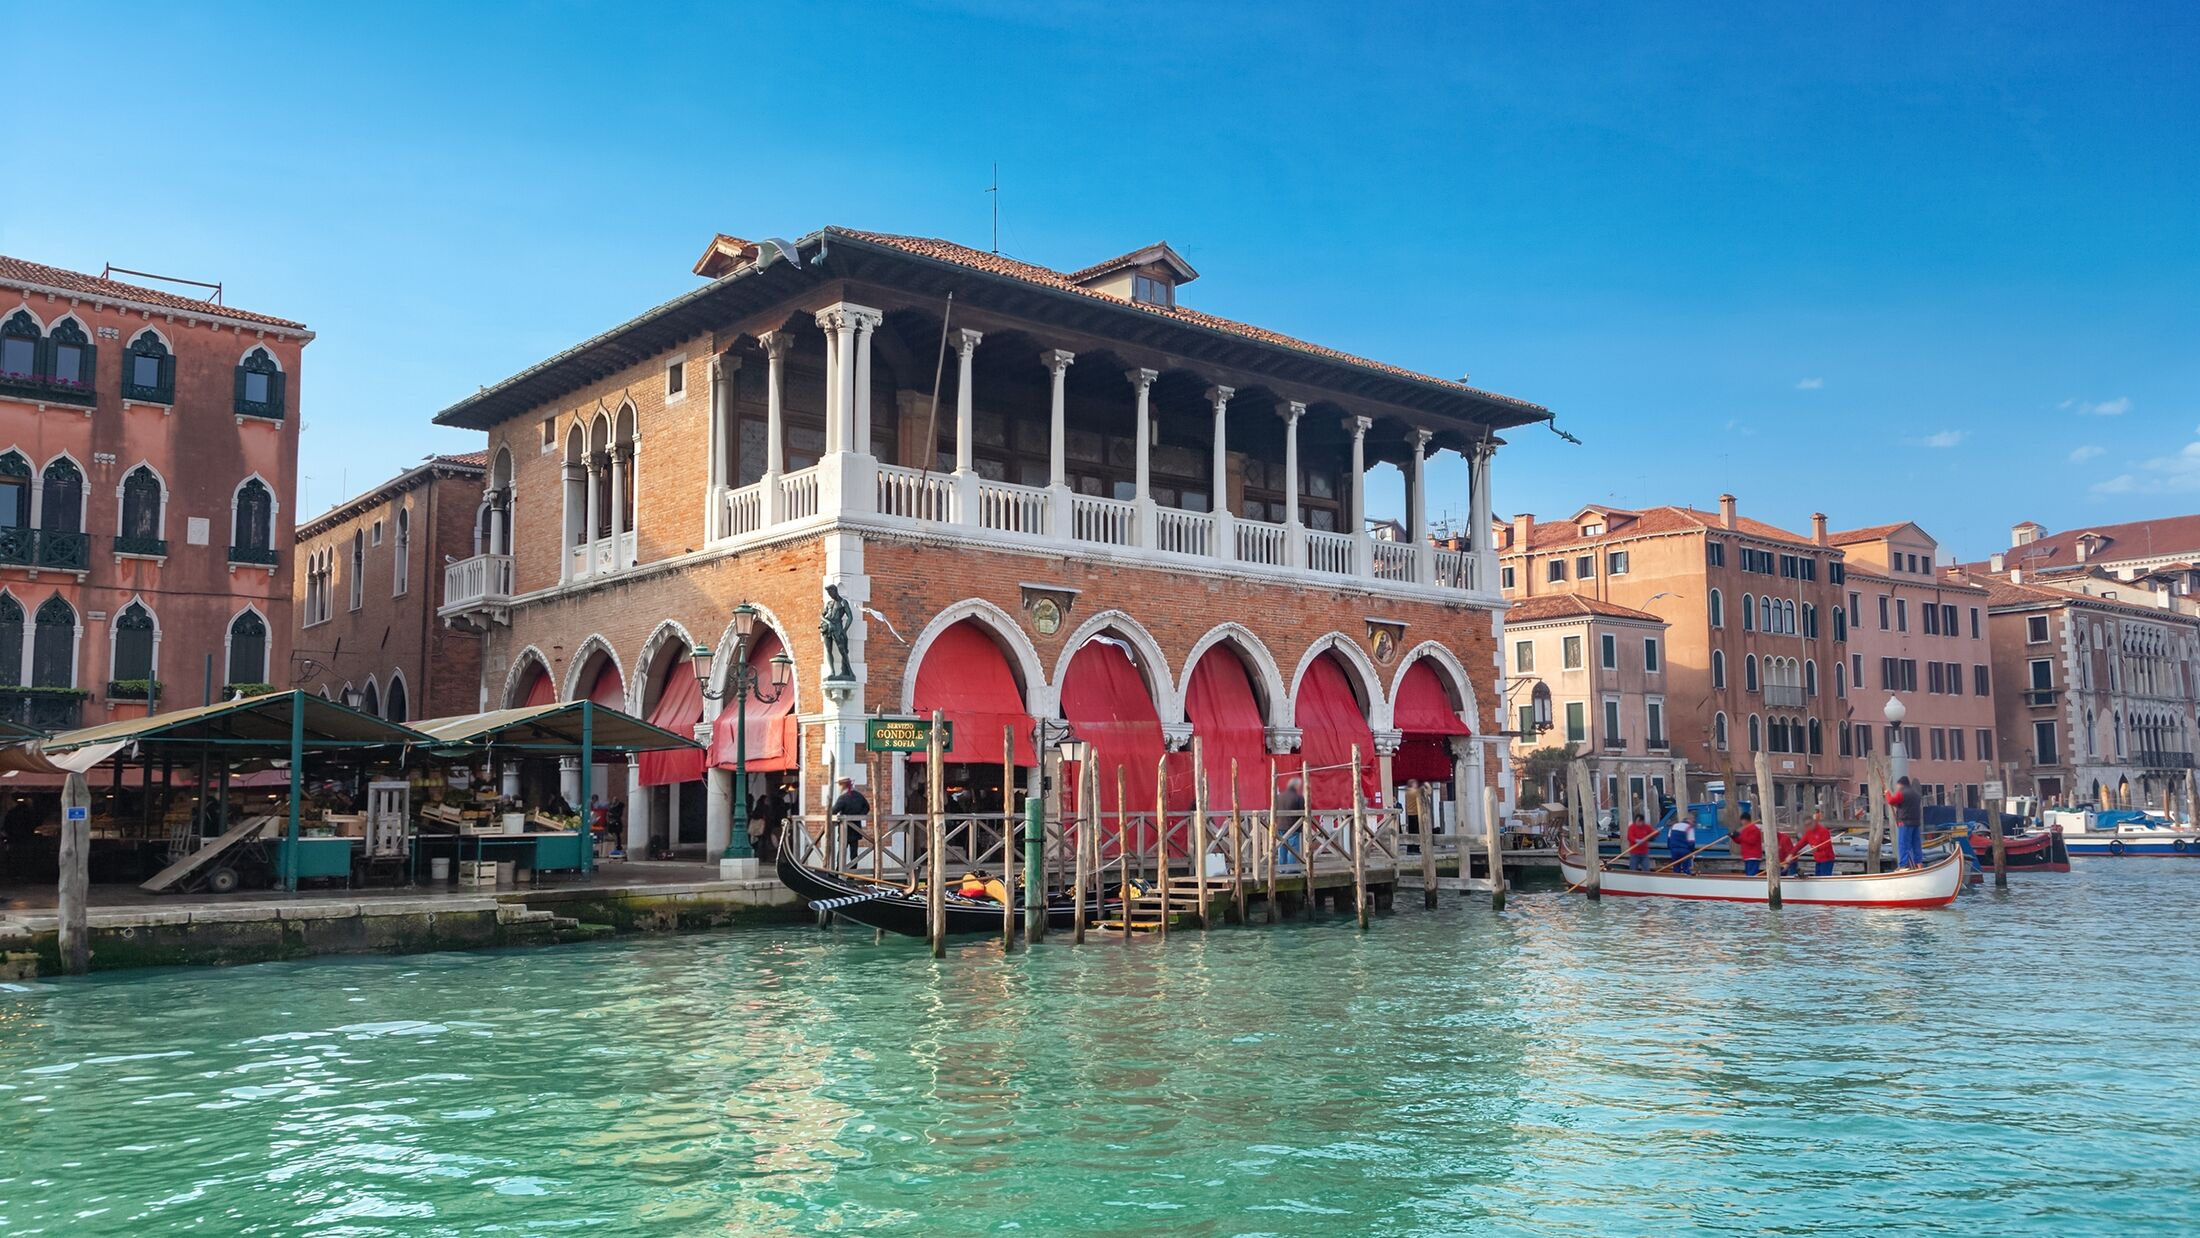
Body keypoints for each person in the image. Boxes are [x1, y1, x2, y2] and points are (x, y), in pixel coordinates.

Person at [831, 776, 870, 865]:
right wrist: (859, 816)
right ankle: (852, 873)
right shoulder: (859, 796)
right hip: (856, 829)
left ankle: (838, 871)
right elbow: (867, 807)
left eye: (840, 785)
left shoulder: (843, 798)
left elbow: (833, 811)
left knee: (841, 852)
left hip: (844, 830)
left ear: (843, 785)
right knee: (854, 853)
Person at [1888, 776, 1925, 869]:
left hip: (1905, 823)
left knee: (1903, 844)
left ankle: (1903, 865)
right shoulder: (1916, 794)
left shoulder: (1902, 793)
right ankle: (1919, 863)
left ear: (1901, 784)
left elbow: (1891, 801)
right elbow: (1905, 805)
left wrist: (1887, 793)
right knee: (1916, 843)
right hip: (1916, 823)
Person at [1731, 810, 1765, 876]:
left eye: (1742, 820)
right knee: (1748, 874)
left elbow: (1751, 841)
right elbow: (1740, 841)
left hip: (1753, 856)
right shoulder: (1744, 829)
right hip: (1747, 856)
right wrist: (1734, 837)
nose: (1741, 822)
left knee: (1751, 875)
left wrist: (1739, 836)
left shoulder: (1754, 829)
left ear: (1745, 820)